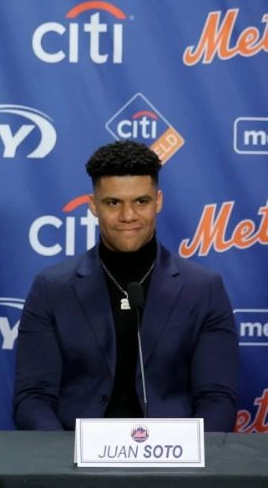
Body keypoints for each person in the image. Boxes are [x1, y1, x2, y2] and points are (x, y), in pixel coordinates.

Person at [13, 140, 239, 432]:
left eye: (141, 202)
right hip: (74, 463)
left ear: (158, 201)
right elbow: (33, 397)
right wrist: (65, 462)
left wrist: (186, 461)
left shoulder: (203, 287)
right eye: (113, 202)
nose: (128, 216)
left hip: (172, 461)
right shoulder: (51, 288)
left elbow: (217, 397)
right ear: (93, 206)